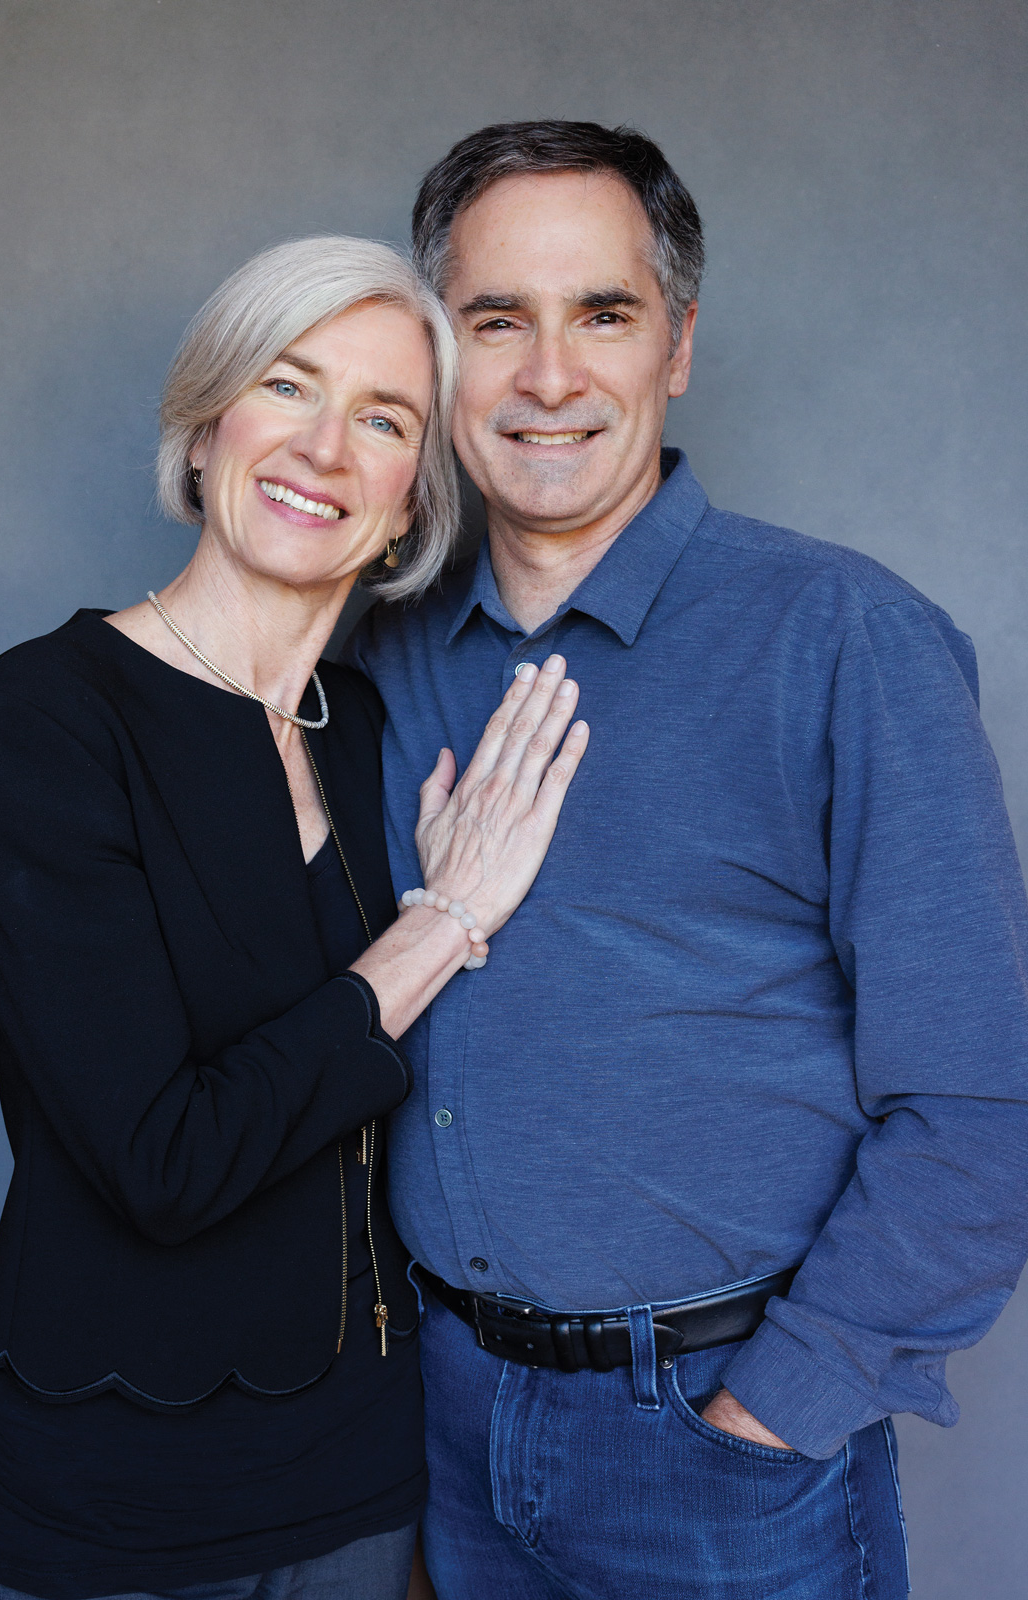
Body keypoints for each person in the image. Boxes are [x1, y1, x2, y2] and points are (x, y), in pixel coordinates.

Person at [335, 121, 1028, 1598]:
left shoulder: (843, 643)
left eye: (604, 313)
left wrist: (774, 1418)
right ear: (438, 357)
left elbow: (979, 1105)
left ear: (680, 346)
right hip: (442, 1429)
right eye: (495, 321)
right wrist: (51, 862)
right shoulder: (382, 651)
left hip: (719, 1452)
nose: (550, 377)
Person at [0, 234, 588, 1600]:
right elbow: (165, 1160)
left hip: (359, 1471)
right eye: (288, 388)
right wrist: (441, 922)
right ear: (206, 422)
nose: (326, 450)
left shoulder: (373, 732)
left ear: (413, 500)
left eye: (384, 419)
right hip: (117, 1495)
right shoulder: (45, 719)